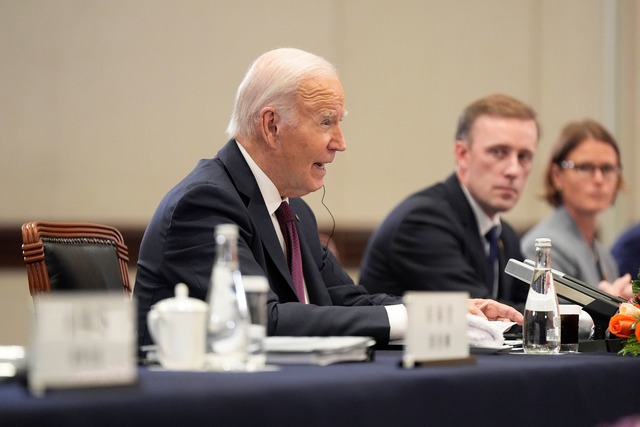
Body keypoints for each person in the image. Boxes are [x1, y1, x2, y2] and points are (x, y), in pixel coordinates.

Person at [134, 48, 522, 350]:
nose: (341, 142)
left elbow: (347, 300)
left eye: (340, 122)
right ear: (272, 126)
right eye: (326, 121)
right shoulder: (206, 202)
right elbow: (259, 321)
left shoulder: (293, 210)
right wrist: (415, 321)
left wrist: (446, 312)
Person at [359, 94, 538, 312]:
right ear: (462, 154)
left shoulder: (503, 234)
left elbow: (533, 303)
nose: (513, 170)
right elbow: (484, 312)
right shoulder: (422, 223)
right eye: (498, 152)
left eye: (524, 157)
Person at [520, 119, 633, 299]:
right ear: (557, 175)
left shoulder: (605, 258)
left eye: (607, 168)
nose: (598, 179)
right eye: (584, 167)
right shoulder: (543, 247)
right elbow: (554, 320)